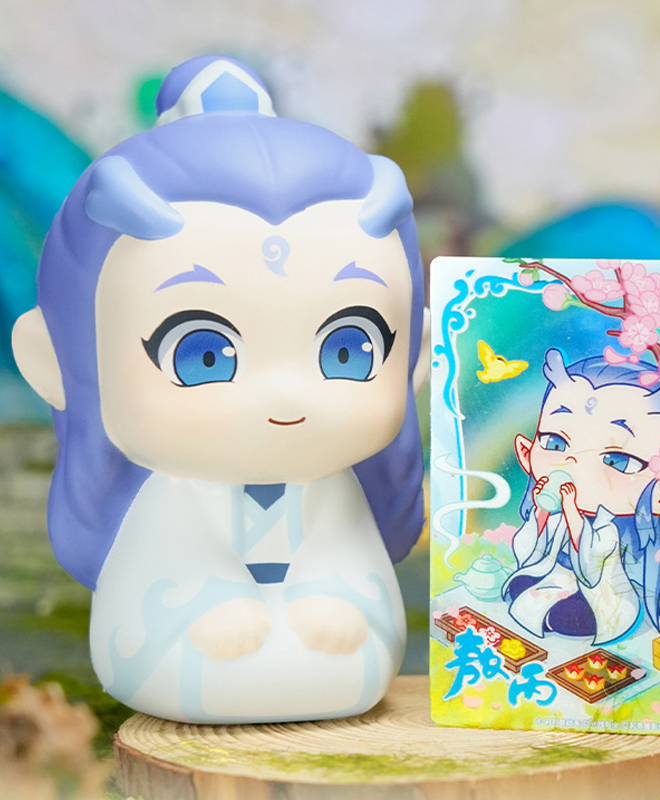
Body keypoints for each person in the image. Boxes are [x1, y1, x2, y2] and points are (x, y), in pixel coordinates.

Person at [12, 56, 428, 723]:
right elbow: (159, 567)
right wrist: (211, 606)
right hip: (180, 650)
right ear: (54, 362)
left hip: (341, 660)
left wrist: (337, 602)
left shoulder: (337, 486)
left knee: (347, 621)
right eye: (203, 355)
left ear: (416, 355)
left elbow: (345, 558)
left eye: (348, 350)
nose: (286, 396)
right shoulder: (168, 493)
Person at [503, 347, 660, 644]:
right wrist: (543, 512)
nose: (571, 464)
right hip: (562, 579)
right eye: (554, 443)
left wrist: (572, 512)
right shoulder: (556, 511)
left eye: (618, 461)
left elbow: (592, 567)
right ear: (527, 452)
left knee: (573, 612)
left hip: (605, 593)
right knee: (525, 590)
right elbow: (530, 548)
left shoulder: (607, 528)